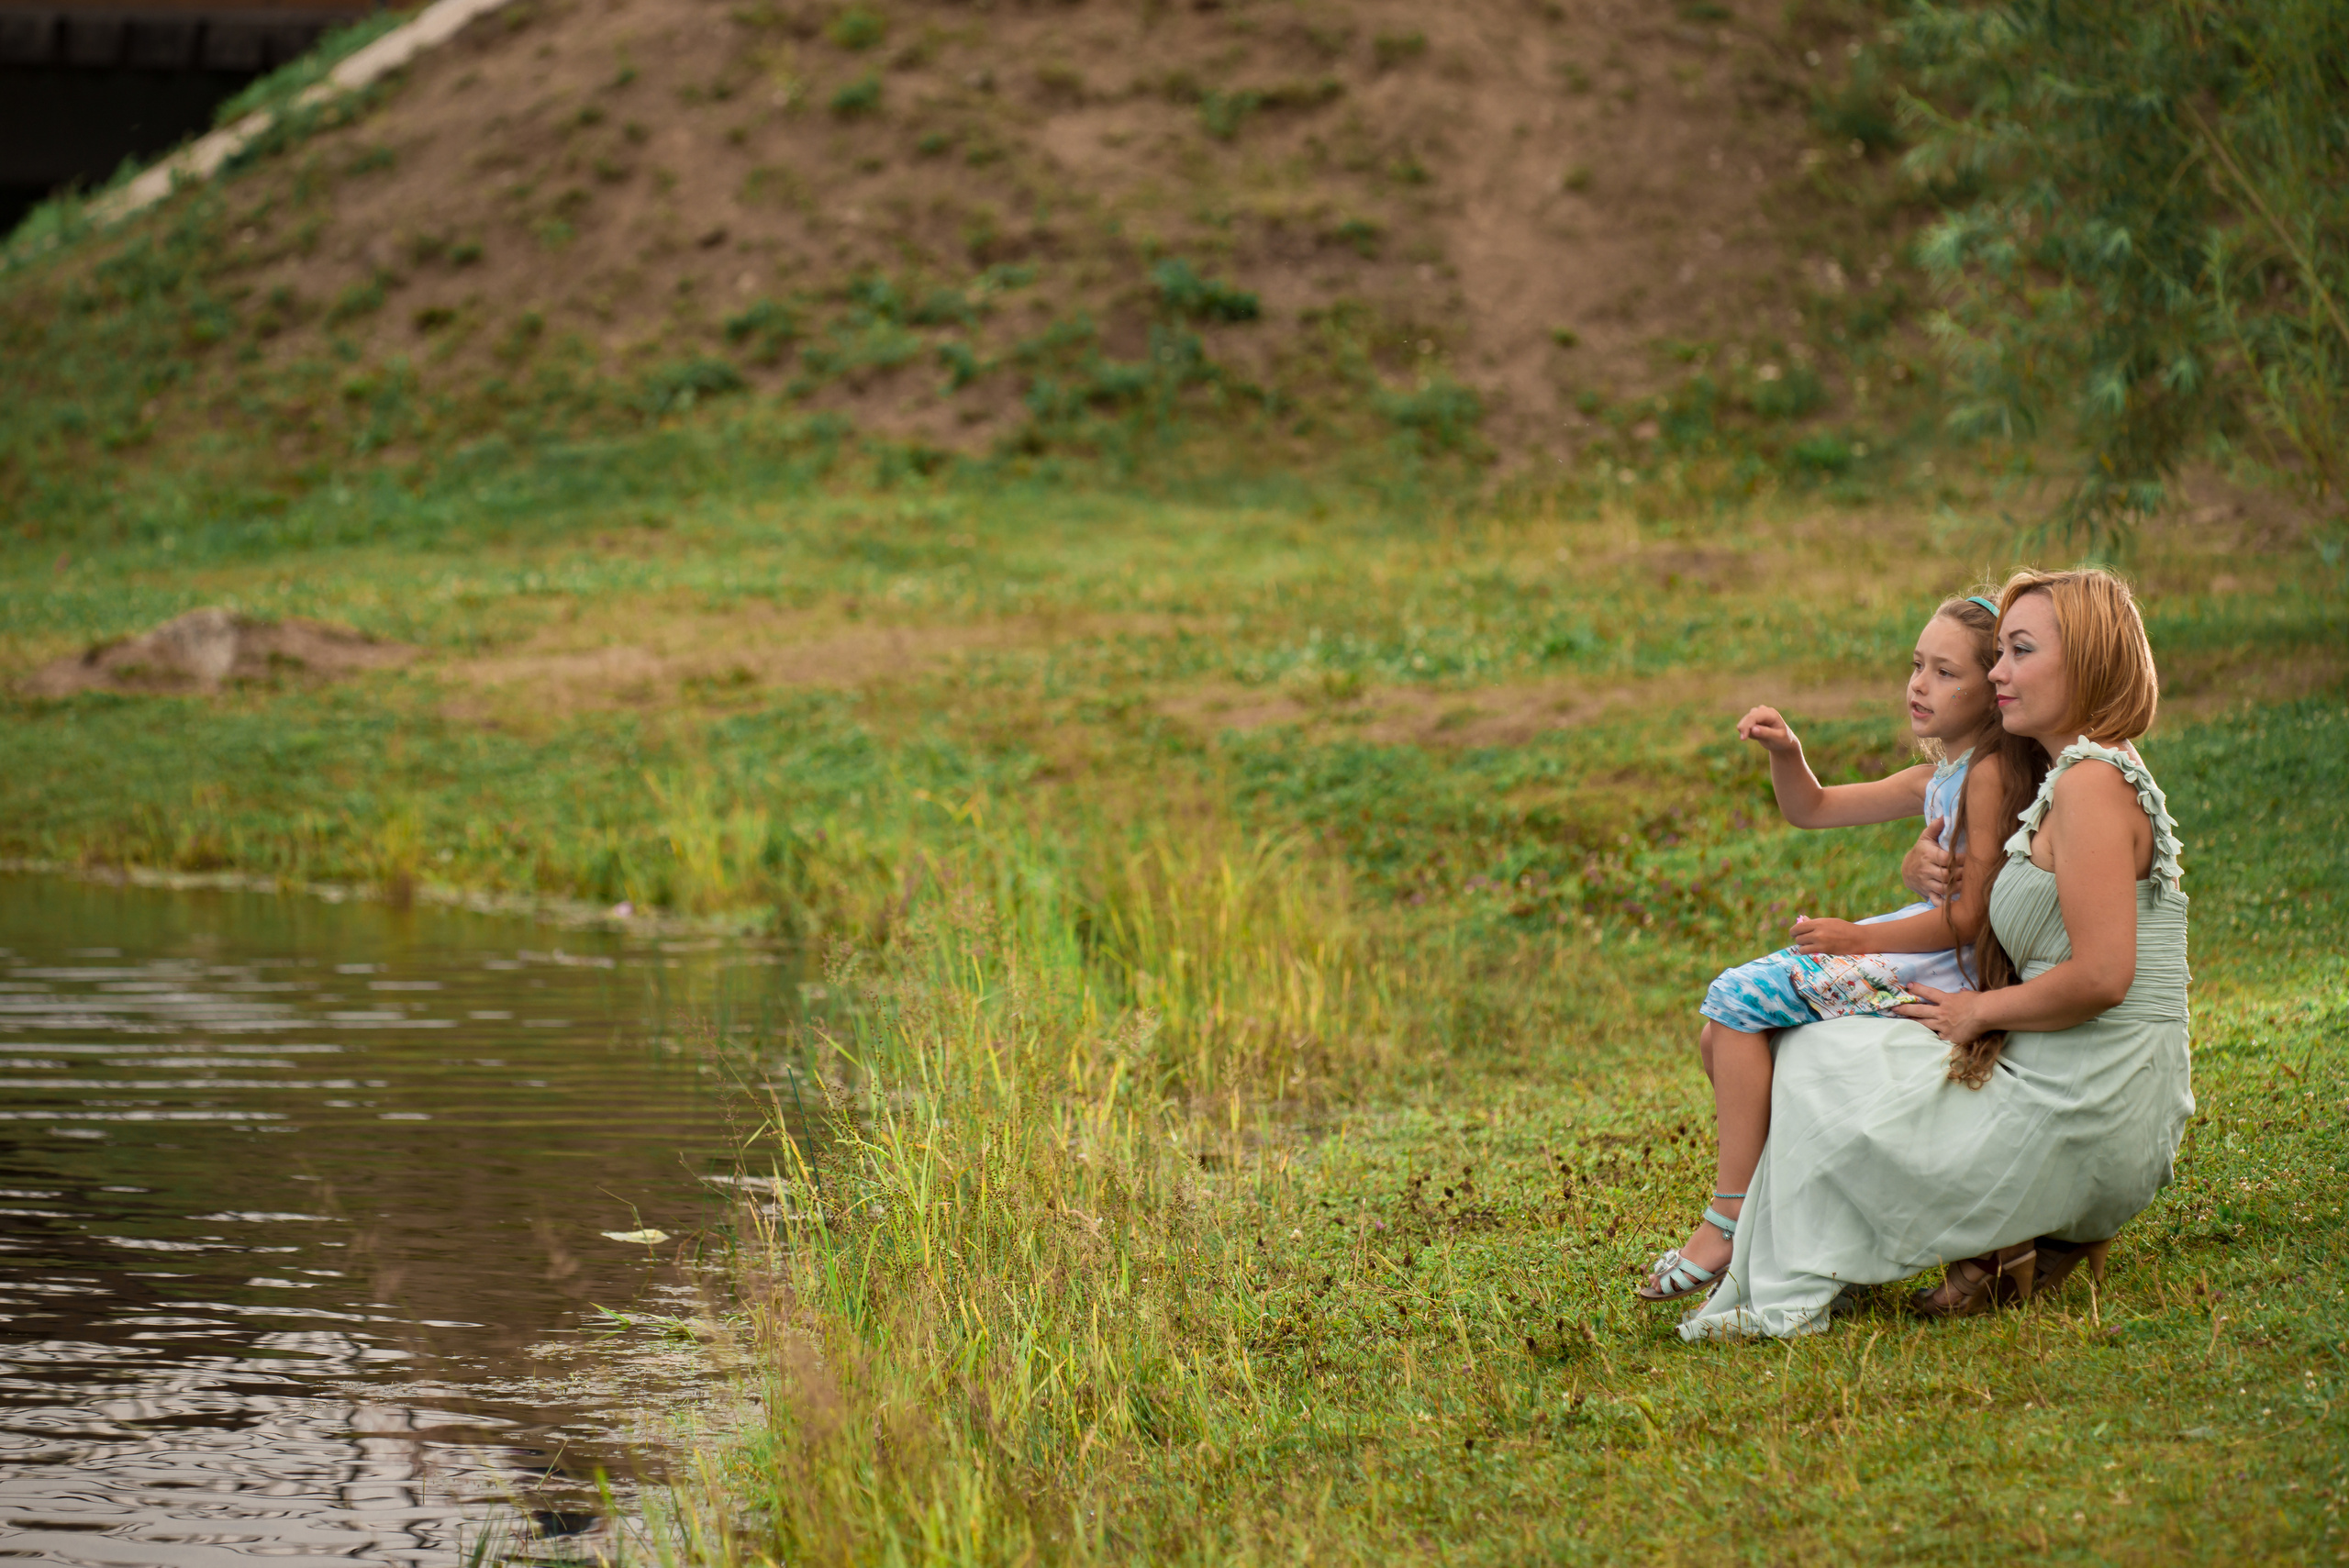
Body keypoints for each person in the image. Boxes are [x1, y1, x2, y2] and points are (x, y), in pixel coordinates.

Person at [1678, 566, 2192, 1338]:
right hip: (2075, 1074)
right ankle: (2002, 1240)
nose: (1996, 672)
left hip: (2089, 1102)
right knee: (1812, 1047)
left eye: (2017, 652)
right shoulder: (2065, 776)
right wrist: (1922, 864)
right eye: (1997, 654)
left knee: (1815, 1062)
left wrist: (1973, 1009)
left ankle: (2008, 1230)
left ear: (2083, 661)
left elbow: (2103, 976)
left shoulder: (2090, 784)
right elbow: (1986, 888)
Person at [1640, 595, 2013, 1303]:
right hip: (1912, 946)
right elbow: (1811, 808)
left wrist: (1856, 937)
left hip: (1944, 965)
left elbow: (1973, 917)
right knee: (1717, 1038)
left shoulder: (1990, 778)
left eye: (1944, 672)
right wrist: (1790, 753)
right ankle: (1792, 1221)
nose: (1918, 684)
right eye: (1915, 665)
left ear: (1992, 693)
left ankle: (1731, 1217)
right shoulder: (1940, 777)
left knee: (1735, 999)